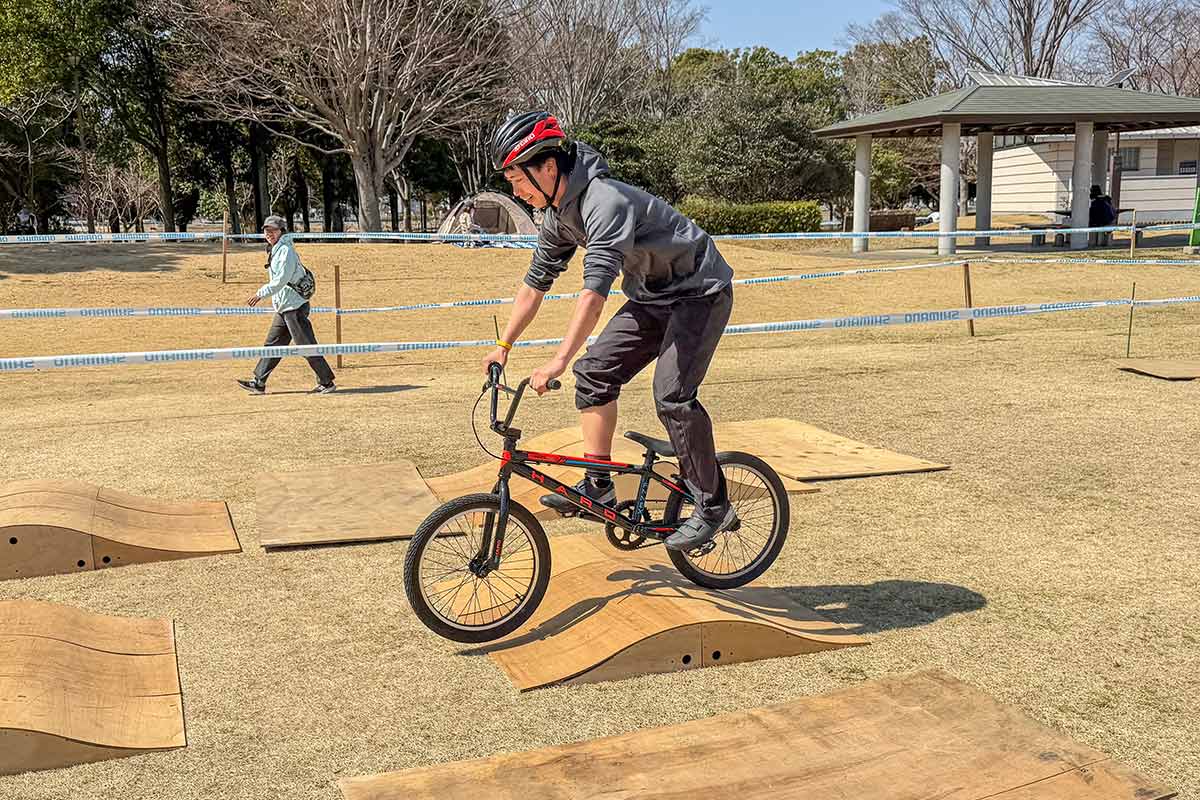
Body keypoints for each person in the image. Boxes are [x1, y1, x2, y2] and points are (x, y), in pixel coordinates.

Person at [481, 111, 735, 552]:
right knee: (595, 371)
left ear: (547, 167)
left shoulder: (605, 201)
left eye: (516, 178)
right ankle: (598, 485)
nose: (515, 190)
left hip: (700, 293)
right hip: (654, 296)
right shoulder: (558, 216)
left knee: (672, 395)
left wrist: (558, 359)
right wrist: (503, 345)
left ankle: (713, 506)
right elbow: (535, 283)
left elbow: (593, 293)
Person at [236, 215, 336, 395]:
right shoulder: (276, 248)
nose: (269, 233)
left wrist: (259, 294)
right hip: (285, 307)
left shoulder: (285, 251)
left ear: (281, 230)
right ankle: (259, 382)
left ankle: (326, 382)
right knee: (273, 345)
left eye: (273, 230)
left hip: (294, 307)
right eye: (267, 230)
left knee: (306, 346)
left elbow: (281, 281)